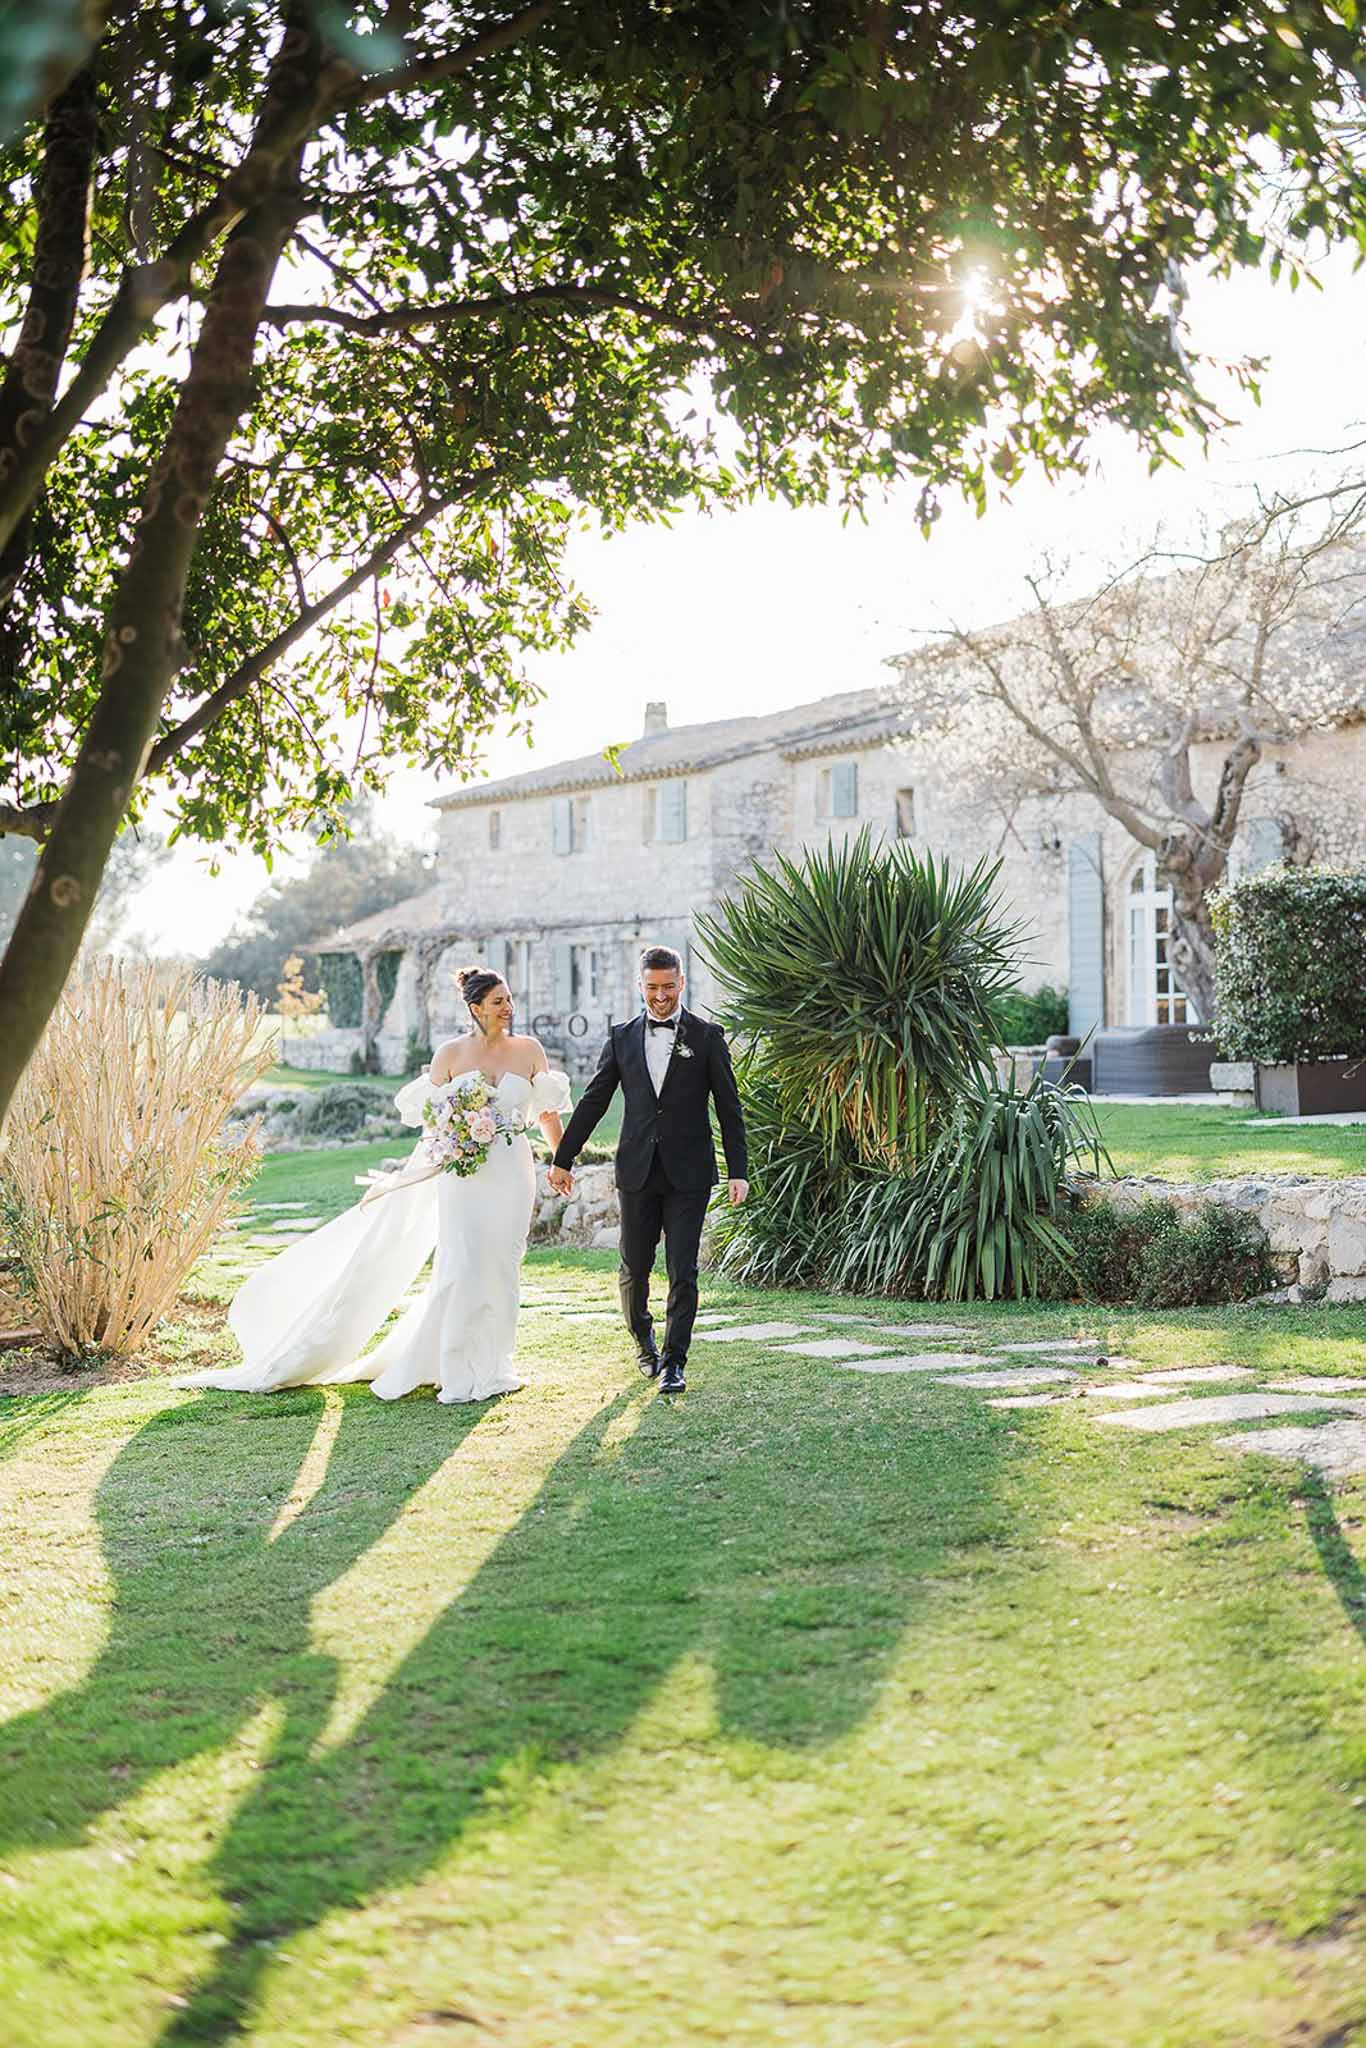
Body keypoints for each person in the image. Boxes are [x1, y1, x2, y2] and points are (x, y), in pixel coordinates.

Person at [177, 967, 572, 1403]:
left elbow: (548, 1115)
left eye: (510, 999)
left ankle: (497, 1364)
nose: (508, 1008)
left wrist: (562, 1160)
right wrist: (426, 1165)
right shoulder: (450, 1056)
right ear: (475, 1009)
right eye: (498, 1002)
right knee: (462, 1264)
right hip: (464, 1174)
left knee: (502, 1264)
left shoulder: (529, 1050)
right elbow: (433, 1123)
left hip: (512, 1172)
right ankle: (455, 1365)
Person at [549, 944, 748, 1394]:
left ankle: (675, 1362)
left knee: (683, 1270)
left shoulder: (707, 1037)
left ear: (682, 983)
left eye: (669, 987)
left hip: (689, 1174)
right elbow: (594, 1101)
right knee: (634, 1267)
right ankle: (645, 1343)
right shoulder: (621, 1038)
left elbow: (730, 1109)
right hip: (637, 1170)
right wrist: (563, 1157)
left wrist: (739, 1169)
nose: (661, 997)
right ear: (640, 986)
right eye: (652, 988)